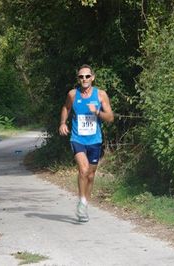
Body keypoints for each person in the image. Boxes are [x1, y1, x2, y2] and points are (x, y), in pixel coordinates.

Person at [59, 64, 114, 222]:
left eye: (87, 76)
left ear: (93, 77)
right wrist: (63, 123)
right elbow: (66, 108)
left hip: (95, 140)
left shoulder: (100, 95)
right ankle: (82, 202)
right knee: (83, 170)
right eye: (81, 77)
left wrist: (97, 112)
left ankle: (85, 204)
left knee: (90, 175)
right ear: (78, 79)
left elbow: (110, 118)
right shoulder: (72, 94)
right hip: (78, 139)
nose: (84, 79)